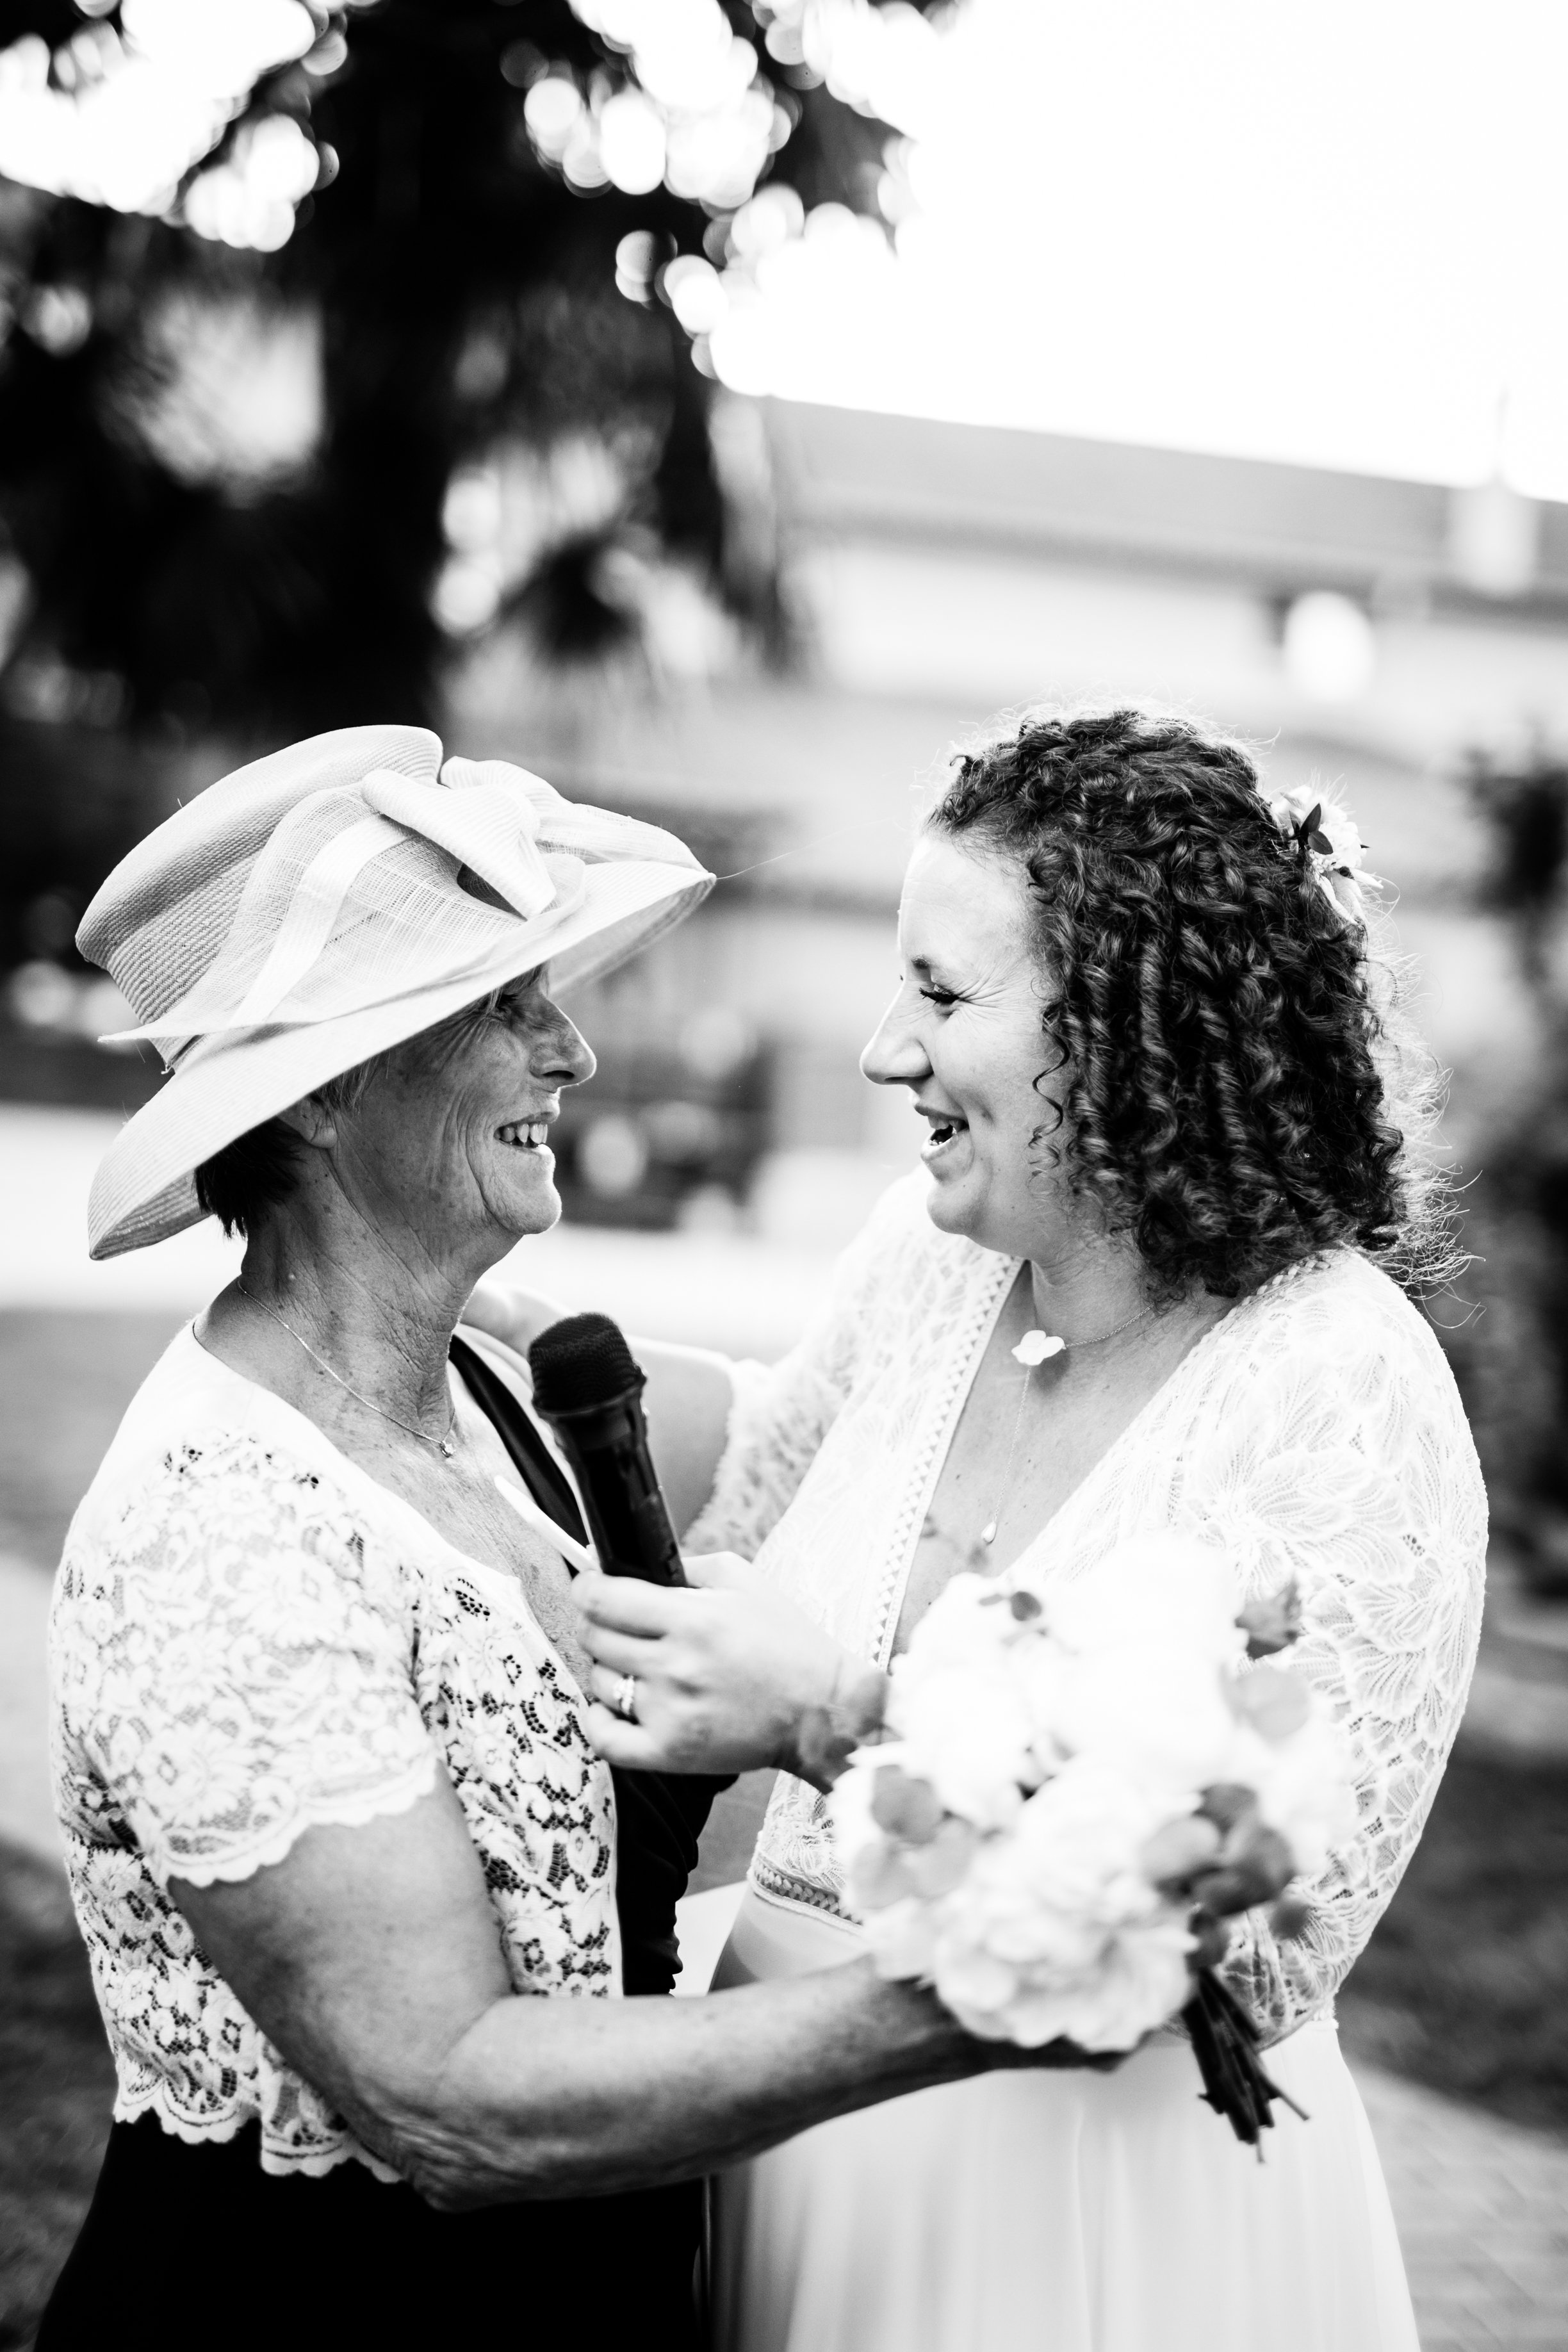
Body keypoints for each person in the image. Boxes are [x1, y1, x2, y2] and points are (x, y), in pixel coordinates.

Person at [39, 727, 1088, 2352]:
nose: (575, 1054)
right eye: (505, 1006)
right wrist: (970, 1997)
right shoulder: (218, 1530)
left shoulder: (489, 1384)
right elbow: (444, 2094)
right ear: (321, 1095)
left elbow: (875, 1441)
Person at [483, 708, 1487, 2352]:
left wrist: (825, 1726)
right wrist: (442, 1340)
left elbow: (1252, 1957)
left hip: (1103, 2234)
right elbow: (761, 1476)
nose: (885, 1047)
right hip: (780, 2164)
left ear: (1134, 1027)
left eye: (943, 994)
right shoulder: (926, 1256)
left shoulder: (1340, 1390)